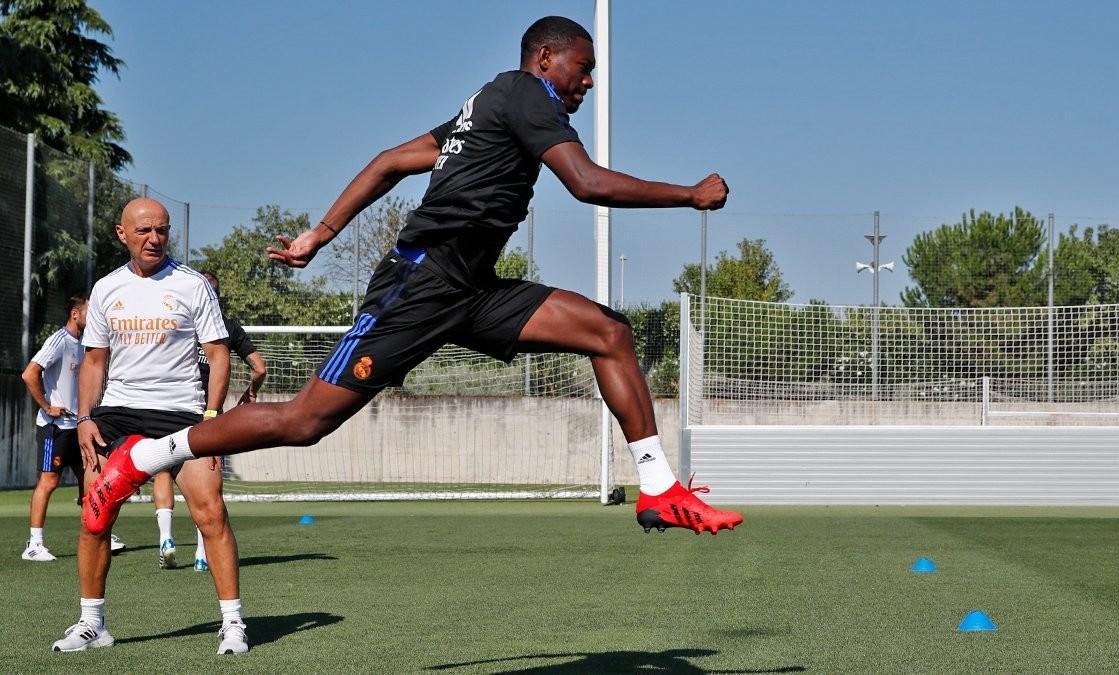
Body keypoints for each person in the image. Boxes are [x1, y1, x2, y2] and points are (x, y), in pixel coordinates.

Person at [85, 16, 742, 542]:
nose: (589, 82)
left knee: (608, 332)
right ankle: (138, 459)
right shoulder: (524, 92)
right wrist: (689, 193)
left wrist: (320, 233)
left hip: (471, 288)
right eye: (584, 67)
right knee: (303, 420)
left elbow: (394, 159)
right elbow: (586, 181)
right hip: (420, 282)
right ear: (545, 58)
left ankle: (658, 489)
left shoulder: (489, 105)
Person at [52, 198, 249, 655]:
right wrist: (84, 418)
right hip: (117, 412)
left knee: (211, 513)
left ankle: (233, 623)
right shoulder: (105, 289)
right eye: (143, 231)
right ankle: (91, 624)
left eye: (161, 230)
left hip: (182, 412)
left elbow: (218, 354)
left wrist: (213, 418)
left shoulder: (193, 284)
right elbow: (94, 360)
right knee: (94, 518)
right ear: (122, 234)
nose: (154, 238)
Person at [153, 270, 267, 572]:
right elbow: (260, 368)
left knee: (162, 471)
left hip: (172, 410)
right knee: (206, 481)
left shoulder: (179, 324)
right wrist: (250, 394)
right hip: (208, 415)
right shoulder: (228, 328)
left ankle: (166, 538)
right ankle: (203, 554)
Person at [20, 296, 126, 561]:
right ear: (75, 314)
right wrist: (46, 405)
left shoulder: (86, 346)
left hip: (79, 427)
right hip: (54, 429)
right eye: (90, 312)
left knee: (92, 480)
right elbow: (29, 373)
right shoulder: (59, 340)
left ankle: (98, 533)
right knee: (49, 481)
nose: (94, 317)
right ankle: (34, 545)